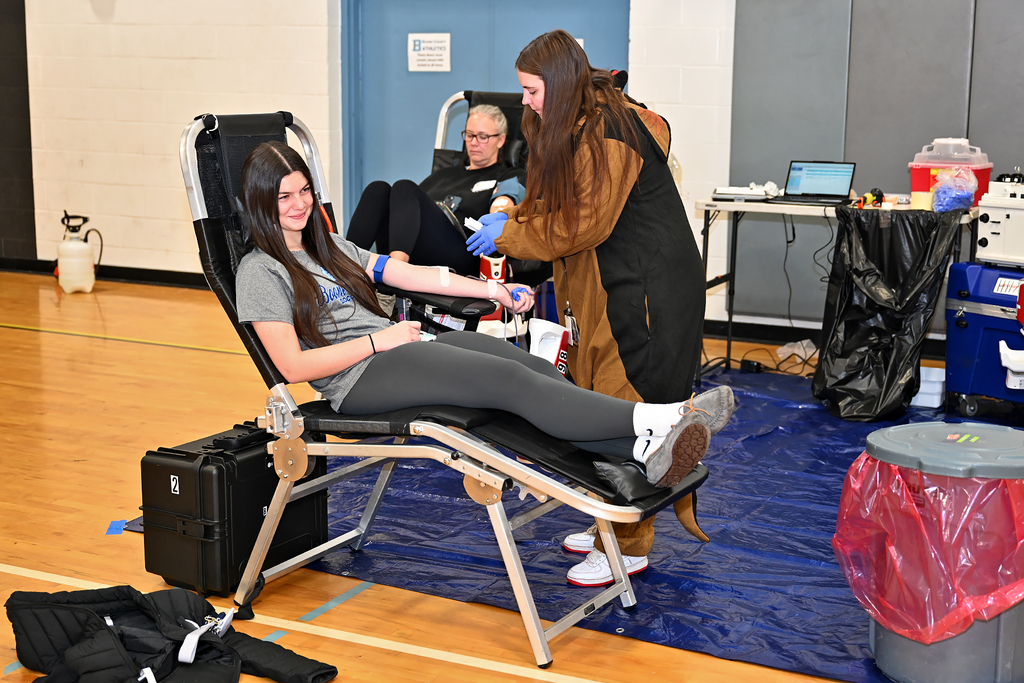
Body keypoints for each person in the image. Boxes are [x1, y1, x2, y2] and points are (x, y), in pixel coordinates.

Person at [233, 141, 727, 513]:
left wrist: (490, 290)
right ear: (259, 201)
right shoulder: (260, 270)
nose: (298, 205)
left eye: (304, 192)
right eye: (283, 197)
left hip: (394, 352)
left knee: (525, 365)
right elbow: (293, 367)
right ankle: (658, 418)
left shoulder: (329, 246)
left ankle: (639, 451)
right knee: (506, 383)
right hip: (355, 379)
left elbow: (411, 273)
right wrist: (377, 340)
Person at [466, 30, 733, 586]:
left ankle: (628, 541)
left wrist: (510, 235)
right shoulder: (571, 122)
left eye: (532, 91)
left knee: (625, 405)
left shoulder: (611, 130)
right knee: (589, 396)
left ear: (560, 86)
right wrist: (514, 211)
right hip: (598, 283)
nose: (525, 102)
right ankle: (604, 515)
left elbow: (577, 223)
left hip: (643, 290)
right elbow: (556, 196)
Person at [346, 105, 527, 277]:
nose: (474, 142)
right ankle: (343, 269)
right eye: (469, 135)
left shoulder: (507, 174)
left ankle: (395, 273)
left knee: (404, 187)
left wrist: (498, 215)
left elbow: (504, 203)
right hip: (416, 247)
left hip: (466, 253)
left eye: (482, 136)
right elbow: (409, 210)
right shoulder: (443, 174)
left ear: (501, 140)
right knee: (378, 189)